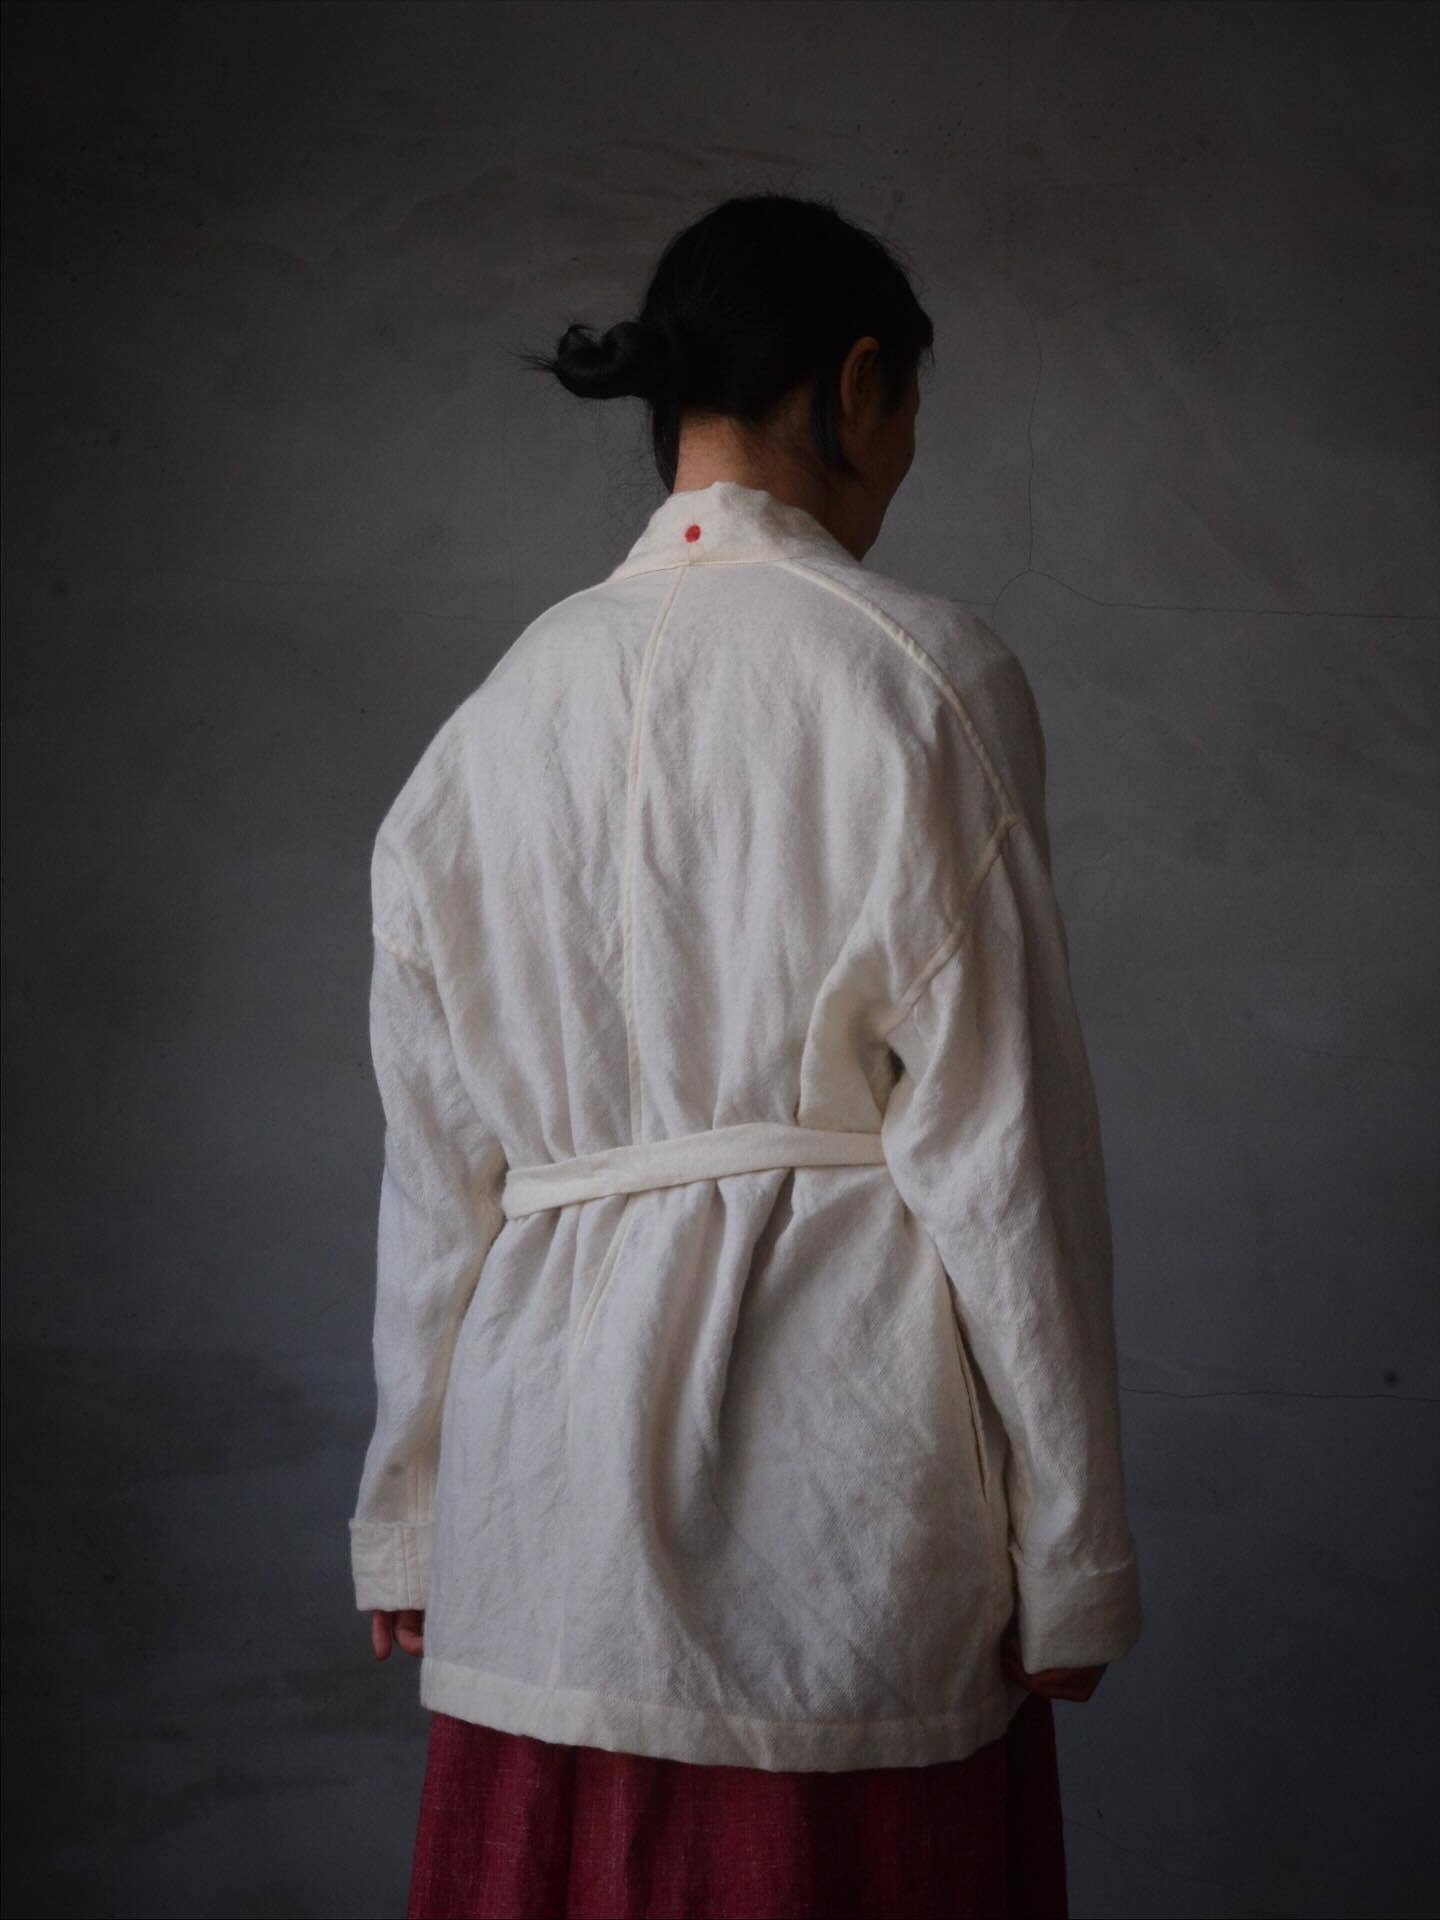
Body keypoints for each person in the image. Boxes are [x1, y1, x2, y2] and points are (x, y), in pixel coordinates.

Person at [350, 191, 1143, 1920]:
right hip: (837, 1508)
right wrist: (1073, 1548)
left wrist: (407, 1513)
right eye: (908, 410)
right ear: (858, 386)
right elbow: (1006, 1150)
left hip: (539, 1523)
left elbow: (436, 1182)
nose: (905, 458)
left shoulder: (483, 728)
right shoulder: (921, 675)